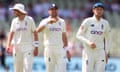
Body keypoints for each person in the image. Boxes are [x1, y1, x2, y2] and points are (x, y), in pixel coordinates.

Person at [35, 3, 71, 72]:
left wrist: (67, 51)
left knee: (62, 70)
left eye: (55, 9)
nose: (53, 11)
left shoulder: (62, 21)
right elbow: (37, 31)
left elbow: (64, 36)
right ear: (48, 11)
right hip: (49, 49)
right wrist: (47, 23)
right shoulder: (44, 21)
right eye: (52, 9)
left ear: (58, 11)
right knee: (50, 70)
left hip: (60, 49)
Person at [76, 2, 111, 72]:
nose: (99, 11)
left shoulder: (105, 23)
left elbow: (108, 39)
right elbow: (78, 35)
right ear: (93, 10)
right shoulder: (87, 21)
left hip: (100, 52)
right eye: (97, 9)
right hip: (88, 52)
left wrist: (106, 53)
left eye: (101, 9)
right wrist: (88, 42)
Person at [6, 3, 39, 72]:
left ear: (20, 11)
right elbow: (11, 33)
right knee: (18, 70)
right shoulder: (14, 21)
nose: (14, 12)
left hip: (28, 47)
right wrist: (8, 45)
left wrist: (36, 47)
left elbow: (35, 33)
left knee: (27, 69)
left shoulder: (30, 20)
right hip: (17, 48)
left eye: (15, 10)